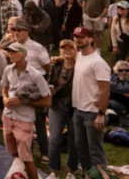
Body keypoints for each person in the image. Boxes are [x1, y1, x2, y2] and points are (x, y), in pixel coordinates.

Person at [0, 42, 51, 179]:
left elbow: (48, 100)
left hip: (24, 119)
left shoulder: (36, 75)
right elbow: (4, 88)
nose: (11, 54)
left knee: (26, 157)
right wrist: (5, 99)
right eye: (9, 52)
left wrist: (23, 101)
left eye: (14, 52)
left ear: (23, 54)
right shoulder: (8, 69)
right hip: (7, 116)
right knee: (14, 154)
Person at [70, 27, 110, 172]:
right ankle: (87, 175)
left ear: (91, 39)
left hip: (92, 113)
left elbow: (105, 90)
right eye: (76, 37)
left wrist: (100, 114)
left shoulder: (98, 63)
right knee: (81, 150)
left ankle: (102, 175)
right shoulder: (79, 56)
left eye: (81, 37)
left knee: (95, 152)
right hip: (78, 110)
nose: (77, 40)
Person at [45, 39, 78, 179]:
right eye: (64, 48)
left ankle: (71, 171)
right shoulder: (57, 65)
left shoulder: (82, 65)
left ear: (76, 50)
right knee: (54, 140)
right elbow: (51, 82)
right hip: (57, 106)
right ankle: (54, 171)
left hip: (75, 107)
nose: (67, 51)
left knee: (74, 140)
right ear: (60, 50)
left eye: (71, 48)